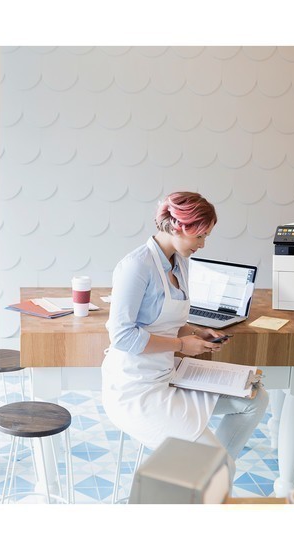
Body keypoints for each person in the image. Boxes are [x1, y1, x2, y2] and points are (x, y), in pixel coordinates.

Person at [101, 191, 268, 467]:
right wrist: (182, 345)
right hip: (135, 389)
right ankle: (213, 469)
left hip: (168, 376)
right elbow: (122, 336)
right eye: (200, 236)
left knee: (255, 398)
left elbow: (166, 322)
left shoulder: (179, 262)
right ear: (179, 227)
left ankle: (208, 472)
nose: (202, 244)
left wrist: (195, 332)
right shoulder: (136, 267)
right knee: (217, 464)